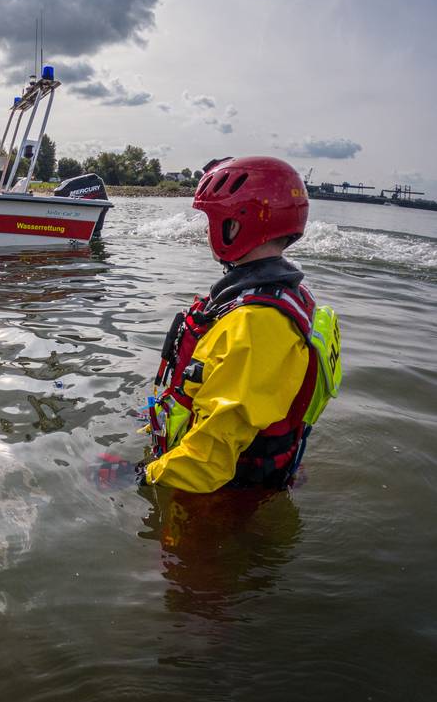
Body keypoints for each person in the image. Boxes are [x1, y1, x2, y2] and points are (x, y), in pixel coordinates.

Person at [140, 155, 342, 494]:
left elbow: (207, 463)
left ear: (235, 225)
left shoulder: (256, 324)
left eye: (212, 219)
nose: (207, 230)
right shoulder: (285, 296)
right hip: (230, 481)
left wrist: (137, 478)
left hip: (220, 499)